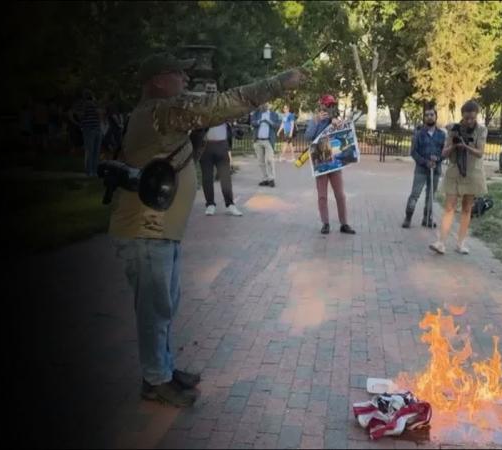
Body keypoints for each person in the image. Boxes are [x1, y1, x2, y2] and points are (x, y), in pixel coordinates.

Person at [109, 52, 307, 407]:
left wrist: (197, 135)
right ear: (157, 81)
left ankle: (163, 370)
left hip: (158, 229)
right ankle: (155, 380)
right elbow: (225, 104)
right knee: (155, 310)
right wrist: (279, 82)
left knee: (164, 307)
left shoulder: (162, 118)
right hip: (146, 229)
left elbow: (188, 153)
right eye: (178, 74)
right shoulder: (161, 111)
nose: (185, 80)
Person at [430, 100, 487, 255]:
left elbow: (480, 153)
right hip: (455, 171)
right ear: (462, 115)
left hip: (472, 172)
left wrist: (466, 146)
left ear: (476, 116)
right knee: (449, 207)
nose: (469, 121)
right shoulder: (453, 129)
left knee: (467, 208)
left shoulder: (481, 130)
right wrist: (454, 145)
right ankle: (441, 242)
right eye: (466, 118)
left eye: (472, 118)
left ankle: (461, 243)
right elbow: (444, 153)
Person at [304, 95, 357, 235]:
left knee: (340, 194)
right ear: (321, 105)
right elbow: (308, 137)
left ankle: (344, 223)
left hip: (334, 160)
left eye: (331, 105)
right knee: (322, 195)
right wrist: (317, 122)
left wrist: (338, 124)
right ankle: (325, 223)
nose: (329, 108)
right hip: (320, 159)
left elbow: (343, 136)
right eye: (327, 105)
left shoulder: (335, 120)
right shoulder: (314, 119)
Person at [402, 107, 446, 228]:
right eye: (427, 115)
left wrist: (438, 159)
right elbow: (413, 152)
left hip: (435, 170)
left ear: (436, 117)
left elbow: (445, 152)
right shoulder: (418, 134)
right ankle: (408, 217)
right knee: (415, 194)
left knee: (431, 196)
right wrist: (425, 162)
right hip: (421, 169)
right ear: (424, 118)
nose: (429, 117)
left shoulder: (442, 135)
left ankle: (427, 218)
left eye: (432, 115)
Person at [70, 89, 103, 176]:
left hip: (88, 129)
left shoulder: (83, 104)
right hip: (97, 128)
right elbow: (100, 115)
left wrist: (78, 122)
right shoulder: (95, 104)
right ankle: (94, 171)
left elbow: (78, 115)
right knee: (95, 151)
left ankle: (90, 171)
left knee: (90, 151)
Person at [251, 103, 281, 187]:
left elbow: (277, 125)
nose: (263, 105)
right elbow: (252, 123)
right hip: (258, 141)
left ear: (268, 105)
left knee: (269, 160)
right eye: (262, 103)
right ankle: (265, 179)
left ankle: (271, 179)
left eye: (265, 103)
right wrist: (260, 121)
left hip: (268, 141)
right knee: (261, 161)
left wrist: (269, 122)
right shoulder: (256, 113)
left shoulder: (274, 114)